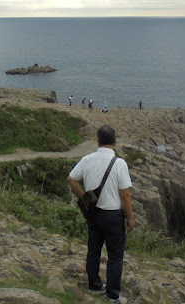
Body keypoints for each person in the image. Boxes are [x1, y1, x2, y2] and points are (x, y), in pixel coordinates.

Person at [67, 125, 135, 304]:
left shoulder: (87, 159)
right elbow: (125, 195)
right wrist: (131, 218)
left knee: (94, 250)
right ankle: (112, 295)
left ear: (97, 141)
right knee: (115, 255)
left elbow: (71, 179)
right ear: (115, 142)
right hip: (113, 215)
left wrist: (83, 197)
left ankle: (94, 285)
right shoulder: (119, 163)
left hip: (94, 213)